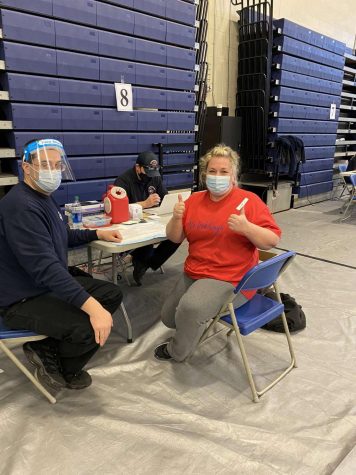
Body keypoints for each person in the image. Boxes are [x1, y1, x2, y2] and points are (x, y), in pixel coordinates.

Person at [0, 138, 124, 392]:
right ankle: (64, 367)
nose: (53, 171)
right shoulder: (21, 205)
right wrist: (93, 309)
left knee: (112, 294)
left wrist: (95, 234)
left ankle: (47, 348)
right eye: (45, 164)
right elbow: (45, 267)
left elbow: (62, 234)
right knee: (88, 326)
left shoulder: (42, 197)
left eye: (57, 165)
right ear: (26, 167)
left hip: (43, 286)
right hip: (22, 298)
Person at [154, 144, 282, 362]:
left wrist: (247, 228)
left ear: (233, 176)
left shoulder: (248, 201)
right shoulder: (194, 200)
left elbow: (272, 241)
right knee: (168, 317)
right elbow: (174, 238)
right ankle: (197, 318)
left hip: (230, 278)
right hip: (195, 272)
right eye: (212, 171)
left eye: (224, 172)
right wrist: (176, 218)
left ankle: (178, 352)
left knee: (190, 308)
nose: (217, 176)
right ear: (204, 174)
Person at [114, 151, 180, 286]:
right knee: (148, 240)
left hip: (151, 220)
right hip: (128, 226)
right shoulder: (123, 181)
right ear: (138, 168)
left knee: (177, 235)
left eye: (153, 174)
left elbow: (165, 198)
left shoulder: (154, 177)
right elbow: (117, 208)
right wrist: (145, 204)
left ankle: (145, 262)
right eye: (147, 173)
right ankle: (140, 259)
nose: (150, 177)